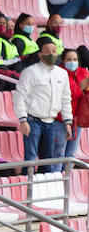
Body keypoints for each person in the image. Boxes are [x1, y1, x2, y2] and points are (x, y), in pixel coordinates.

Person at [14, 37, 74, 174]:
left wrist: (67, 121)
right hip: (32, 121)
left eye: (54, 51)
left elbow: (66, 99)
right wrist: (23, 120)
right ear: (40, 54)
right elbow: (19, 96)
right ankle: (27, 189)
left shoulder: (62, 73)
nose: (51, 54)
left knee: (47, 159)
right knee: (30, 158)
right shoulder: (30, 72)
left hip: (51, 122)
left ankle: (44, 188)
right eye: (47, 51)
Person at [63, 51, 87, 164]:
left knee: (71, 154)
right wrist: (82, 88)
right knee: (59, 153)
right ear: (63, 61)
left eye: (75, 59)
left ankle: (66, 180)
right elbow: (69, 94)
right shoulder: (60, 74)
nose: (72, 62)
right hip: (61, 119)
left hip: (78, 119)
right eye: (69, 59)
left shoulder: (83, 72)